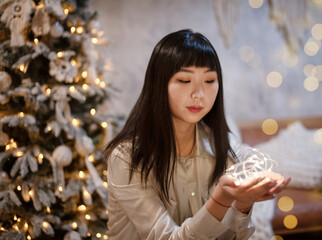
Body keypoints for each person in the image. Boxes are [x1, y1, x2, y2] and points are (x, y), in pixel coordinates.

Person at [104, 29, 290, 239]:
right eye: (184, 81)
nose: (199, 94)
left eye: (209, 81)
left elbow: (235, 236)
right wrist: (220, 201)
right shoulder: (127, 157)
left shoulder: (224, 145)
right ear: (159, 85)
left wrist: (244, 203)